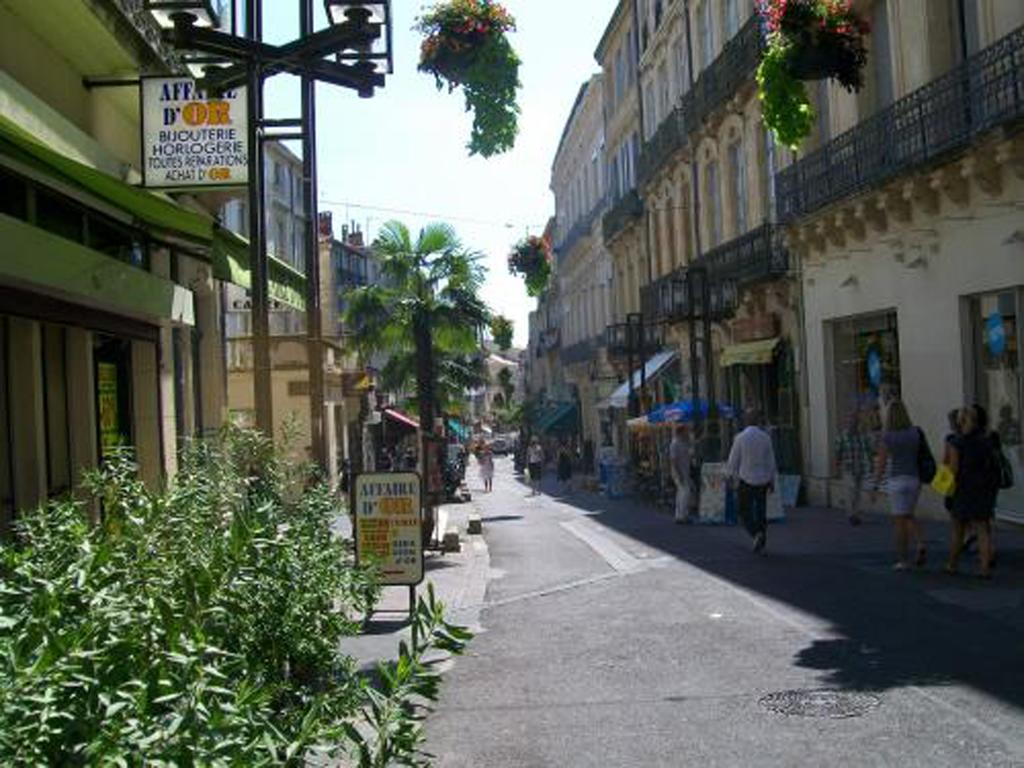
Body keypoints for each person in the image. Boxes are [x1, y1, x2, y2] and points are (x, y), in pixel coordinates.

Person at [873, 399, 928, 571]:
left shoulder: (887, 436)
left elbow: (882, 462)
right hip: (913, 478)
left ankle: (903, 559)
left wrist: (876, 484)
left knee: (899, 522)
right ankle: (920, 543)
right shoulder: (915, 433)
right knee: (908, 514)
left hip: (896, 479)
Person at [946, 406, 999, 578]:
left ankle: (952, 564)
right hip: (982, 487)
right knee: (982, 528)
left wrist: (946, 487)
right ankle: (984, 568)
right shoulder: (986, 441)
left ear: (960, 422)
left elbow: (953, 469)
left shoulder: (957, 442)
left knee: (958, 528)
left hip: (963, 487)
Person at [726, 408, 777, 553]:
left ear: (746, 421)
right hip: (763, 480)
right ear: (757, 421)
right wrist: (772, 480)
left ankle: (755, 533)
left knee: (743, 510)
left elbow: (733, 460)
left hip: (746, 479)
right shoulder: (765, 437)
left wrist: (730, 475)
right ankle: (761, 537)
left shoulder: (740, 438)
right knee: (761, 511)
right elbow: (771, 461)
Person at [834, 407, 874, 526]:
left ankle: (855, 513)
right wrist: (837, 466)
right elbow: (837, 452)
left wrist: (871, 464)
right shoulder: (842, 436)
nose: (853, 423)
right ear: (847, 422)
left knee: (857, 492)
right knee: (850, 490)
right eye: (851, 420)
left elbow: (868, 451)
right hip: (848, 468)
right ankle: (851, 514)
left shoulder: (862, 436)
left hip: (860, 467)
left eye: (855, 420)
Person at [669, 423, 693, 523]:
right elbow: (673, 460)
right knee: (684, 493)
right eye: (686, 431)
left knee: (681, 494)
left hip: (685, 471)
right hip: (679, 472)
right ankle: (682, 516)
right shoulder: (675, 443)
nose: (687, 433)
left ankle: (680, 515)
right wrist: (679, 474)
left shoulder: (684, 442)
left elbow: (690, 453)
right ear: (681, 432)